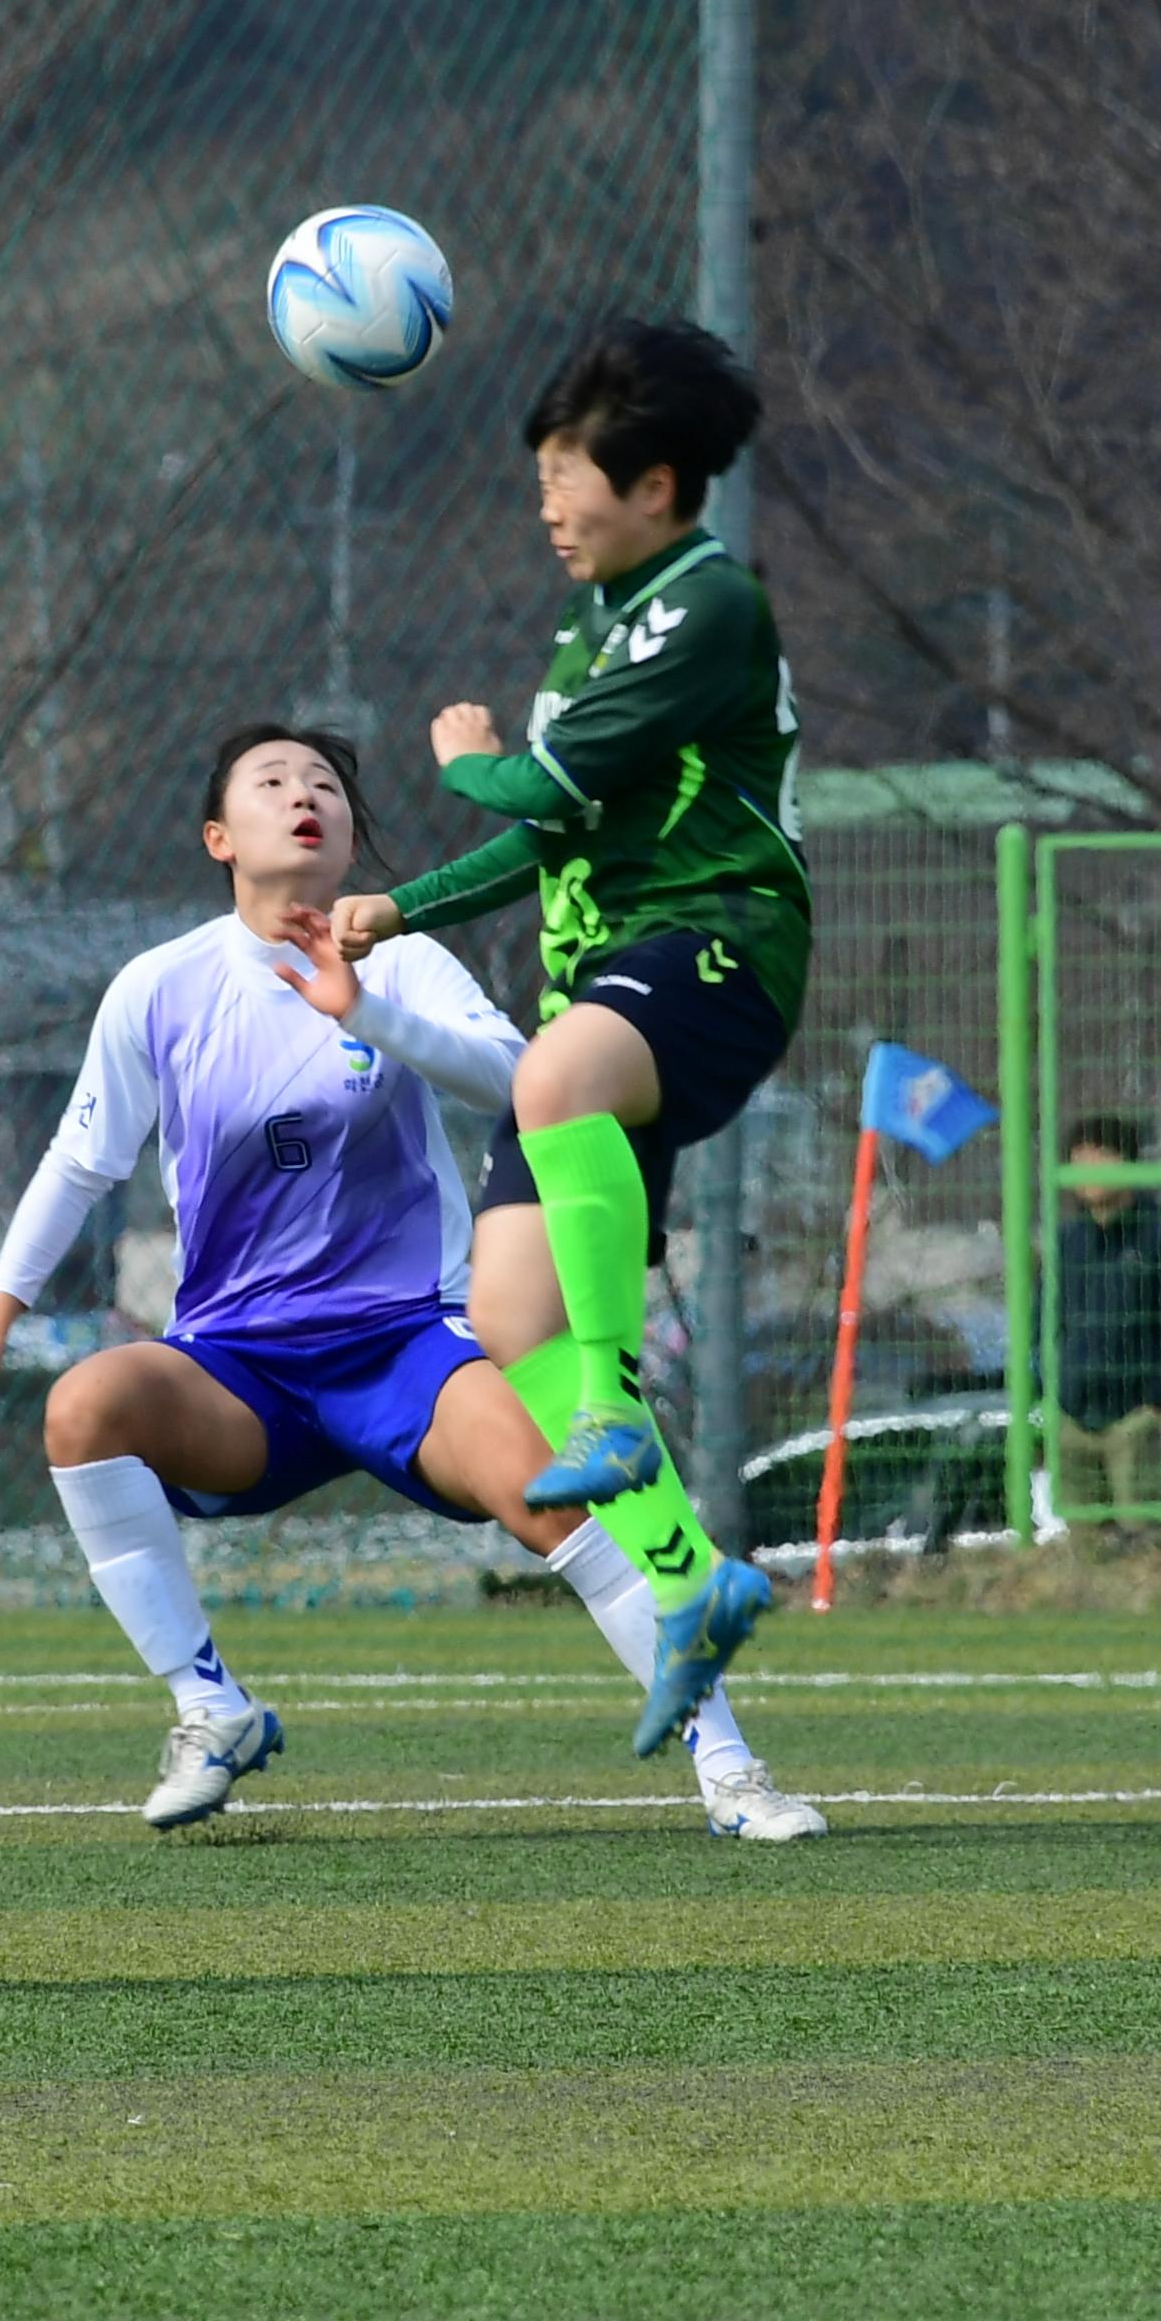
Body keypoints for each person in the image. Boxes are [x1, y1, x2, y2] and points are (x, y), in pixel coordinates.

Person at [0, 725, 825, 1842]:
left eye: (327, 784)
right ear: (218, 836)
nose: (306, 795)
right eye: (272, 780)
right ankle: (212, 1708)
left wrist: (368, 1012)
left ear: (348, 833)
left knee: (561, 1496)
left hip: (409, 1346)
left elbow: (522, 1078)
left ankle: (730, 1769)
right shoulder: (160, 986)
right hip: (240, 1368)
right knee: (85, 1406)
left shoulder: (406, 956)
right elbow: (81, 1159)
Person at [331, 320, 807, 1758]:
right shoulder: (597, 626)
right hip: (609, 984)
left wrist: (458, 756)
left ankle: (615, 1395)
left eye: (565, 473)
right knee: (510, 1316)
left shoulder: (707, 604)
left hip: (716, 944)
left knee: (554, 1074)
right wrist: (396, 907)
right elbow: (554, 828)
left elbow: (531, 777)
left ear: (654, 485)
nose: (546, 503)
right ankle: (691, 1585)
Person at [1053, 1114, 1161, 1516]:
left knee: (1140, 1543)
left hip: (1135, 1420)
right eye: (1079, 1160)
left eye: (1102, 1158)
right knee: (1085, 1549)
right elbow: (1045, 1322)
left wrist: (1155, 1404)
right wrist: (1051, 1392)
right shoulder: (1067, 1241)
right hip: (1071, 1417)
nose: (1090, 1172)